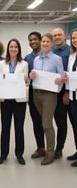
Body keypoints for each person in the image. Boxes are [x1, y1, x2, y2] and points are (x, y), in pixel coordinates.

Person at [30, 33, 64, 165]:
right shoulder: (36, 59)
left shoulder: (57, 59)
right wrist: (31, 75)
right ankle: (42, 149)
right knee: (41, 123)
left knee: (47, 124)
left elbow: (62, 76)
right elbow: (34, 75)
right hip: (36, 94)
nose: (44, 43)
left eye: (47, 41)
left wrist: (59, 82)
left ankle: (50, 153)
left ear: (52, 44)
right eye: (43, 41)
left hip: (49, 95)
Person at [0, 38, 28, 165]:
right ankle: (3, 154)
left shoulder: (24, 64)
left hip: (19, 100)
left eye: (15, 47)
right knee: (5, 128)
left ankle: (19, 154)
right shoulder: (2, 64)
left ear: (18, 49)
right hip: (6, 100)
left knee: (19, 128)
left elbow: (27, 83)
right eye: (11, 46)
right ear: (8, 49)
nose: (13, 49)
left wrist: (26, 80)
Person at [52, 27, 74, 159]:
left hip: (65, 93)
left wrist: (66, 91)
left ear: (64, 36)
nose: (57, 37)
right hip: (52, 91)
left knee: (63, 122)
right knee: (54, 121)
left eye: (59, 35)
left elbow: (70, 74)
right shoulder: (51, 50)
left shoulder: (70, 51)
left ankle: (59, 148)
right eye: (54, 36)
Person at [24, 32, 45, 159]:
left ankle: (53, 149)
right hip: (33, 92)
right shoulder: (27, 58)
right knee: (36, 121)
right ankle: (40, 147)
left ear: (41, 40)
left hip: (48, 93)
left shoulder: (48, 54)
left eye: (35, 39)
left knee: (47, 123)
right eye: (30, 40)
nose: (33, 42)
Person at [63, 29, 77, 167]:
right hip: (73, 96)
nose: (75, 40)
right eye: (73, 38)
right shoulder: (72, 55)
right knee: (75, 126)